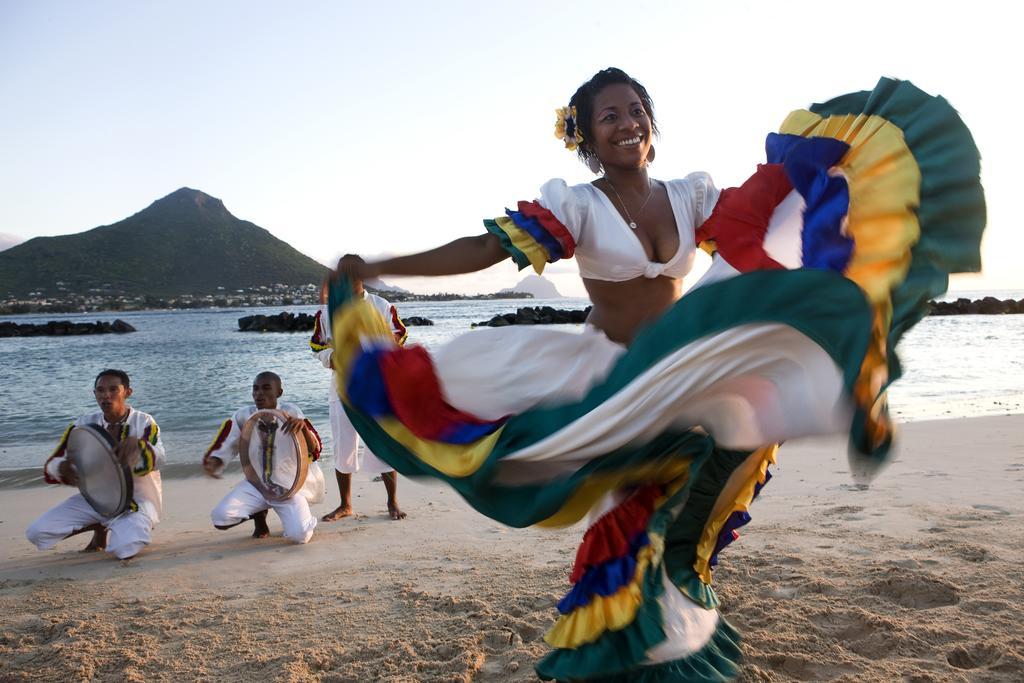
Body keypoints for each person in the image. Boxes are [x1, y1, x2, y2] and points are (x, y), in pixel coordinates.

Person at [327, 68, 985, 681]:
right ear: (585, 134)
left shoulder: (687, 195)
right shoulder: (577, 206)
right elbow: (486, 249)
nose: (627, 122)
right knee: (632, 510)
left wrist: (812, 176)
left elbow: (752, 218)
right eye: (609, 115)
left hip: (681, 370)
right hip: (605, 376)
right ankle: (634, 652)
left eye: (636, 109)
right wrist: (385, 267)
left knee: (692, 496)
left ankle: (663, 639)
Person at [27, 369, 165, 561]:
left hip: (136, 502)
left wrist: (139, 448)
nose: (106, 396)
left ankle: (113, 527)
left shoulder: (144, 422)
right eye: (100, 390)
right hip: (95, 500)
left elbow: (159, 459)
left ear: (127, 392)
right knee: (37, 533)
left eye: (113, 389)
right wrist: (62, 468)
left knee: (126, 548)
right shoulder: (84, 424)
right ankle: (100, 526)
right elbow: (54, 462)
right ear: (95, 394)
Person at [310, 258, 408, 522]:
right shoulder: (327, 312)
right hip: (342, 389)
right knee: (343, 445)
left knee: (383, 443)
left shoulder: (381, 306)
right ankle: (345, 505)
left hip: (377, 388)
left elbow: (400, 334)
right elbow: (317, 345)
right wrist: (332, 357)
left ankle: (392, 501)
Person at [202, 371, 325, 544]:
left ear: (279, 393)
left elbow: (316, 449)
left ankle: (294, 515)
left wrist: (303, 427)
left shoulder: (291, 412)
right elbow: (227, 442)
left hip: (288, 487)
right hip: (257, 485)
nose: (259, 393)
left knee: (301, 536)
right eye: (255, 389)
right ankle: (259, 515)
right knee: (220, 518)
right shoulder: (243, 415)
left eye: (266, 388)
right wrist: (215, 460)